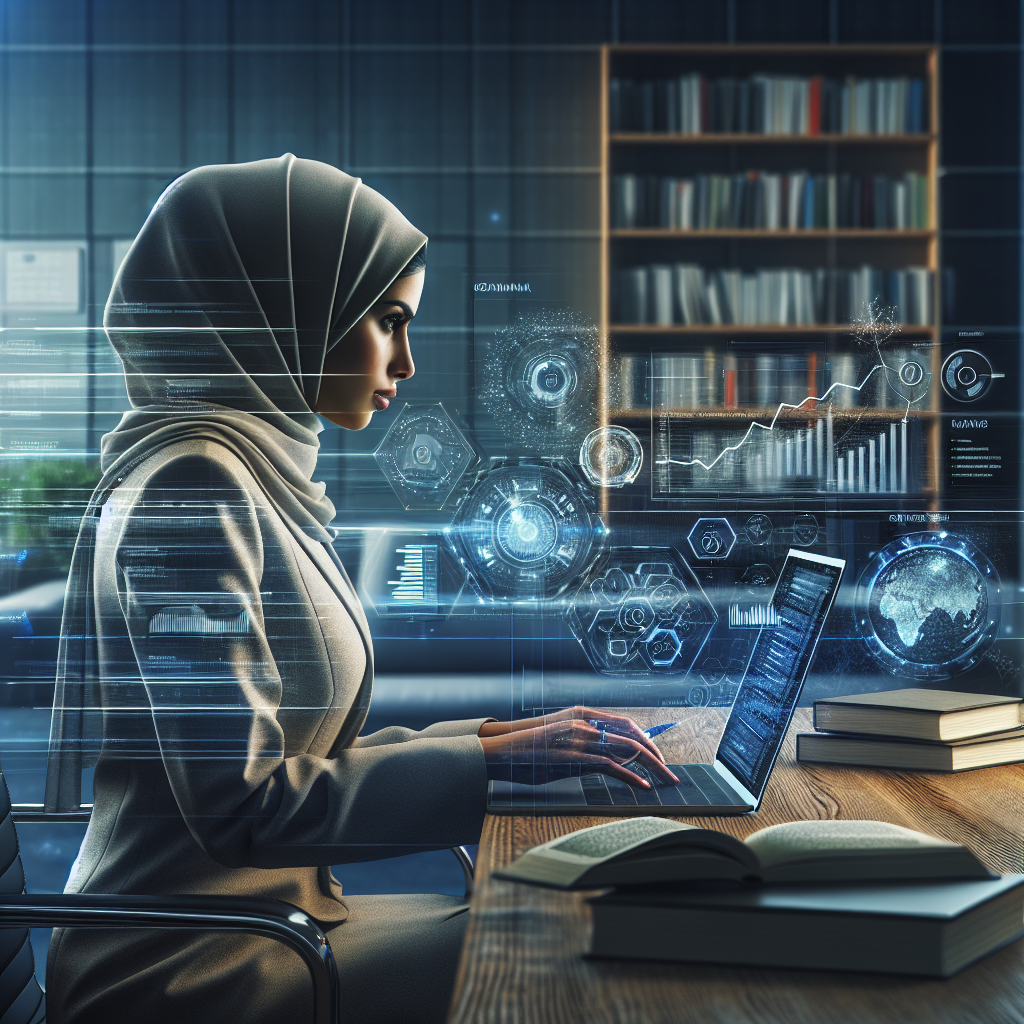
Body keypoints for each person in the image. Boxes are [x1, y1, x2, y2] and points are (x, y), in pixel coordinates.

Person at [44, 153, 676, 1024]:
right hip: (186, 966)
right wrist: (493, 765)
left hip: (276, 923)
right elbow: (244, 806)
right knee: (587, 938)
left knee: (568, 916)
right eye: (388, 321)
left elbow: (307, 745)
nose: (407, 361)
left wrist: (511, 737)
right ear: (290, 304)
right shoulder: (192, 490)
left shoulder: (248, 474)